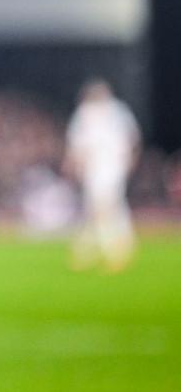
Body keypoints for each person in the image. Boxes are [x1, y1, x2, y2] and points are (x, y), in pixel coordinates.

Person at [64, 79, 140, 272]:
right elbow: (77, 144)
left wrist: (129, 160)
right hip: (93, 169)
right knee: (101, 208)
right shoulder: (85, 113)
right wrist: (75, 163)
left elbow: (131, 139)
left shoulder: (117, 112)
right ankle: (97, 248)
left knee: (104, 206)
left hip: (112, 167)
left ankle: (110, 250)